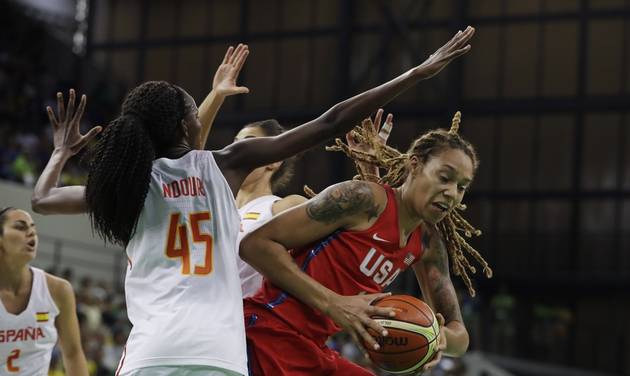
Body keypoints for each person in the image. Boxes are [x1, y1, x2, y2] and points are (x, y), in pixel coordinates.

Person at [31, 27, 474, 376]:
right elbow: (328, 124)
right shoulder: (226, 171)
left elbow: (45, 199)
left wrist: (60, 153)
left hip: (159, 350)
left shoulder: (130, 185)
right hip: (230, 349)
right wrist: (413, 76)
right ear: (189, 127)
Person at [240, 108, 493, 375]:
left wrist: (436, 339)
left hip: (312, 347)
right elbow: (254, 245)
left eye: (462, 187)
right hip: (268, 329)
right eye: (444, 177)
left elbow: (460, 337)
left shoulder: (428, 243)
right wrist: (333, 303)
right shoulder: (362, 199)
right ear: (415, 166)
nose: (452, 193)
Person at [234, 111, 393, 298]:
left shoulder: (282, 207)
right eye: (235, 143)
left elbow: (352, 243)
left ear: (274, 161)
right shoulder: (215, 206)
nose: (236, 150)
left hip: (246, 320)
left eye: (247, 142)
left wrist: (370, 172)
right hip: (196, 317)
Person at [0, 207, 88, 375]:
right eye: (20, 227)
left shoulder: (58, 289)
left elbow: (73, 353)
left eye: (33, 228)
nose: (31, 232)